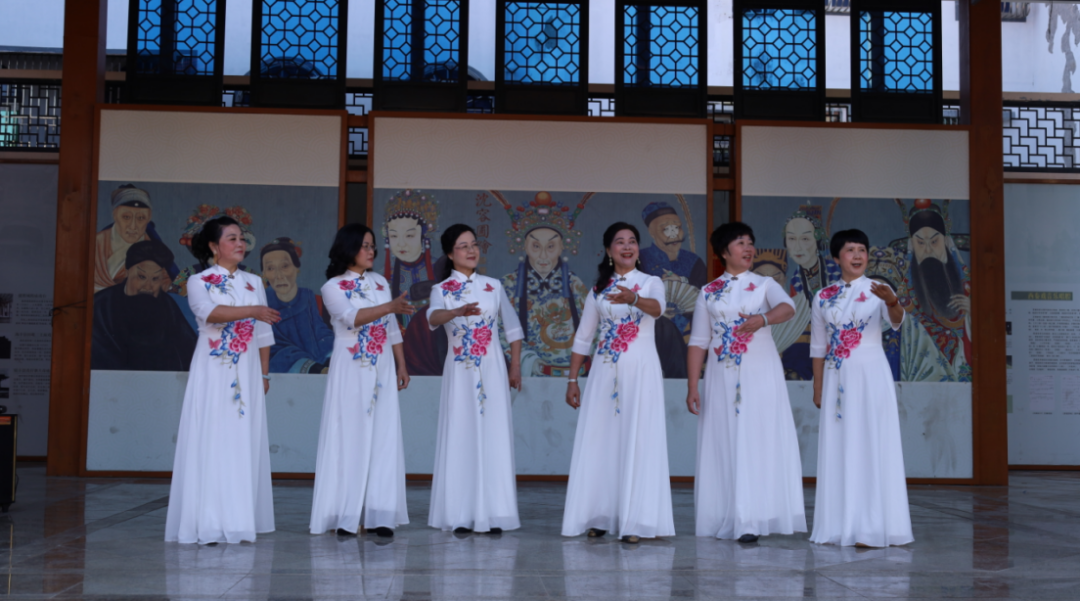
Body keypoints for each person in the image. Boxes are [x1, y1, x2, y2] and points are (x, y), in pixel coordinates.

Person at [686, 222, 806, 543]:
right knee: (726, 439)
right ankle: (729, 514)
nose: (748, 248)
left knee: (757, 438)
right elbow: (698, 341)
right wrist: (693, 386)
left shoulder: (765, 284)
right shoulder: (708, 292)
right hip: (720, 376)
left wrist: (763, 319)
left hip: (760, 374)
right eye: (740, 243)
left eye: (750, 242)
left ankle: (754, 516)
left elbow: (788, 308)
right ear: (723, 252)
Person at [164, 216, 281, 545]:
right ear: (214, 246)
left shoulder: (253, 282)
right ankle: (208, 522)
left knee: (242, 440)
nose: (240, 243)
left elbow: (263, 334)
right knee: (212, 438)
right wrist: (252, 311)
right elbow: (209, 313)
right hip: (213, 371)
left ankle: (239, 520)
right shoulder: (199, 281)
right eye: (232, 238)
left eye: (242, 238)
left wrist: (264, 373)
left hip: (248, 370)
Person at [562, 222, 674, 544]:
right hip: (603, 374)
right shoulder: (599, 289)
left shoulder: (650, 282)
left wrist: (634, 298)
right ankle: (599, 516)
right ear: (609, 251)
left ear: (638, 249)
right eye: (620, 242)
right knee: (602, 441)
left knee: (639, 440)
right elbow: (583, 338)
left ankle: (636, 521)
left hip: (641, 372)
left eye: (632, 241)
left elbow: (658, 310)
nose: (627, 246)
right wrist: (573, 379)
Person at [810, 229, 913, 547]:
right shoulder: (823, 296)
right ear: (836, 257)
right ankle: (839, 526)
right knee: (841, 444)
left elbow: (897, 320)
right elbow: (818, 346)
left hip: (871, 375)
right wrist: (818, 387)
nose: (857, 256)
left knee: (872, 442)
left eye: (862, 250)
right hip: (836, 378)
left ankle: (873, 525)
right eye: (850, 250)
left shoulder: (878, 290)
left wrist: (892, 301)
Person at [310, 224, 414, 538]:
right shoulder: (333, 287)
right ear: (349, 248)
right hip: (351, 369)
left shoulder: (380, 282)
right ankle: (345, 514)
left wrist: (401, 364)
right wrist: (390, 306)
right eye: (364, 246)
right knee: (350, 436)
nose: (371, 251)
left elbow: (391, 327)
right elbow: (351, 318)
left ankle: (379, 515)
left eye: (372, 245)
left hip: (382, 367)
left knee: (383, 436)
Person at [426, 223, 524, 534]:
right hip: (460, 372)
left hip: (493, 370)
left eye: (474, 244)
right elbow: (432, 318)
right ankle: (461, 514)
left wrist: (515, 366)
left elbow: (513, 329)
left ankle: (495, 514)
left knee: (493, 435)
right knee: (462, 434)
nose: (471, 251)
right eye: (463, 246)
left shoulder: (493, 286)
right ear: (449, 254)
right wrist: (456, 312)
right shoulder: (442, 290)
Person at [497, 191, 590, 378]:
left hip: (575, 375)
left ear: (562, 247)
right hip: (530, 373)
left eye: (551, 247)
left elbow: (592, 327)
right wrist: (529, 361)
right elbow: (500, 329)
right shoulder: (508, 284)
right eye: (536, 246)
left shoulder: (574, 283)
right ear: (524, 246)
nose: (543, 255)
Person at [91, 239, 197, 371]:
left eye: (155, 279)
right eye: (141, 277)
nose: (148, 287)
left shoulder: (167, 304)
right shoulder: (100, 305)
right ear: (127, 271)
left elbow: (189, 350)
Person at [781, 207, 841, 380]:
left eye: (805, 239)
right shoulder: (795, 278)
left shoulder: (836, 273)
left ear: (818, 241)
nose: (797, 246)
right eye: (792, 239)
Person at [261, 237, 335, 374]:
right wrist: (314, 368)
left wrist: (332, 357)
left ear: (296, 268)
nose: (279, 275)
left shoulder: (308, 297)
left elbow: (320, 332)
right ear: (264, 274)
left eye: (284, 266)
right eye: (270, 268)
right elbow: (273, 347)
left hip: (319, 366)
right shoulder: (262, 303)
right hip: (280, 372)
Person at [638, 201, 707, 338]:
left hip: (688, 333)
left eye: (677, 228)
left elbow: (705, 292)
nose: (674, 234)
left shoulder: (693, 260)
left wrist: (683, 281)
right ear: (652, 232)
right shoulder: (640, 259)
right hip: (649, 331)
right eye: (666, 229)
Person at [94, 184, 178, 292]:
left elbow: (165, 284)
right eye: (126, 217)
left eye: (141, 218)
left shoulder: (153, 250)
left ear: (149, 218)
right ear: (114, 215)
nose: (133, 226)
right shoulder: (96, 243)